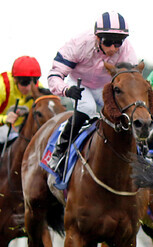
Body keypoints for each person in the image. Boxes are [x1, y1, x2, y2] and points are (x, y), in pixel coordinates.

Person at [46, 12, 138, 173]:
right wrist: (66, 90)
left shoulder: (127, 51)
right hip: (80, 84)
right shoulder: (79, 44)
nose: (113, 48)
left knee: (129, 112)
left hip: (106, 87)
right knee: (87, 108)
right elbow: (55, 75)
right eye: (108, 42)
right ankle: (59, 151)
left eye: (118, 43)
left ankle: (141, 152)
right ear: (97, 38)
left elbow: (131, 82)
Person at [0, 56, 43, 144]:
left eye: (33, 82)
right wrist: (5, 119)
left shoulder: (38, 89)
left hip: (21, 130)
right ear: (15, 79)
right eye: (24, 83)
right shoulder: (3, 86)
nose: (29, 88)